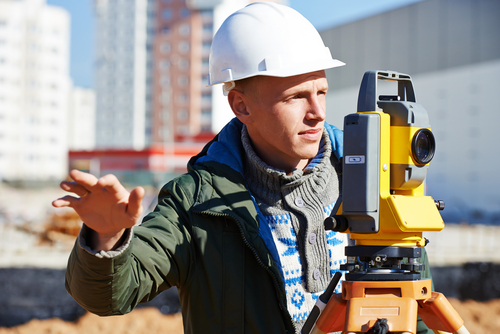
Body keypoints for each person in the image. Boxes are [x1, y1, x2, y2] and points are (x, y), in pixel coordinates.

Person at [53, 2, 432, 333]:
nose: (316, 112)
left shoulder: (372, 182)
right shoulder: (197, 202)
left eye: (321, 91)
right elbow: (109, 297)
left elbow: (415, 310)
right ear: (241, 106)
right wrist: (105, 238)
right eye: (296, 97)